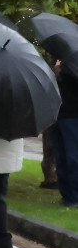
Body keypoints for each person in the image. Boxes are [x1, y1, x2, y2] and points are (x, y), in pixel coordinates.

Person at [50, 59, 78, 206]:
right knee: (61, 158)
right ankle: (66, 194)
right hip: (58, 116)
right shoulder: (61, 65)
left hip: (73, 117)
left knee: (72, 158)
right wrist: (57, 69)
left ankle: (74, 196)